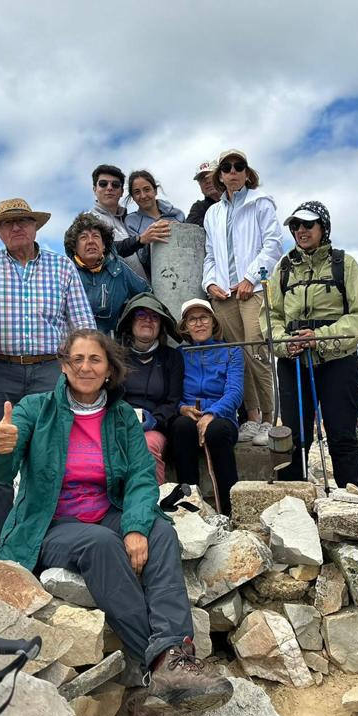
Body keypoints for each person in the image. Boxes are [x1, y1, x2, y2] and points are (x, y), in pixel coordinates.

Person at [0, 329, 233, 716]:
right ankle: (164, 665)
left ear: (110, 370)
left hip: (107, 512)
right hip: (50, 523)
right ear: (64, 366)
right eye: (77, 359)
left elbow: (141, 477)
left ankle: (174, 656)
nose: (85, 366)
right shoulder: (35, 409)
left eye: (95, 359)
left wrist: (134, 526)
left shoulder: (121, 418)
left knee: (160, 531)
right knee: (98, 543)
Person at [0, 198, 96, 559]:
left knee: (52, 459)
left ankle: (52, 543)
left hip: (50, 371)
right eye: (7, 223)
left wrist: (82, 372)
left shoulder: (61, 267)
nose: (16, 228)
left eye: (23, 220)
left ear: (35, 226)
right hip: (0, 371)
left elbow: (82, 325)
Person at [265, 201, 358, 489]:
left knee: (341, 433)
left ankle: (354, 501)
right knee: (294, 437)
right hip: (293, 362)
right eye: (295, 225)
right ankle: (293, 502)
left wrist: (320, 338)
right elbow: (270, 315)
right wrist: (285, 345)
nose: (301, 230)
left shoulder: (344, 264)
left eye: (308, 224)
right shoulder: (282, 268)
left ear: (323, 227)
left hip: (339, 361)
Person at [202, 148, 283, 446]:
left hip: (253, 291)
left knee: (257, 352)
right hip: (224, 295)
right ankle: (250, 417)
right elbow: (210, 255)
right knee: (237, 356)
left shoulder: (261, 203)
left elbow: (273, 245)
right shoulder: (213, 213)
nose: (233, 172)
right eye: (227, 167)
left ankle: (269, 419)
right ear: (220, 175)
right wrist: (210, 283)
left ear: (247, 173)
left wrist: (250, 277)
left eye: (239, 166)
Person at [172, 299, 244, 514]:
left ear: (213, 322)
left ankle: (229, 509)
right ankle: (190, 505)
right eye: (192, 319)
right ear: (185, 326)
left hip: (222, 416)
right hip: (189, 414)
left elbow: (235, 391)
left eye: (204, 317)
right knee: (180, 428)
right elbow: (171, 393)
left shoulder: (231, 351)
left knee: (218, 431)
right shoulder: (180, 354)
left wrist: (213, 413)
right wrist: (182, 408)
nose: (199, 323)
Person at [116, 292, 184, 484]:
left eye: (154, 317)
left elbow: (173, 400)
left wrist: (155, 420)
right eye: (141, 315)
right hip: (119, 423)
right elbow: (108, 395)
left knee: (146, 446)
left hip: (155, 426)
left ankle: (152, 505)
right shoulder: (116, 357)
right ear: (130, 322)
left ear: (161, 326)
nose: (148, 321)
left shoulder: (172, 358)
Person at [65, 212, 150, 334]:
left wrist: (128, 318)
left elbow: (146, 295)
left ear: (104, 245)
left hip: (110, 346)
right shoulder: (65, 273)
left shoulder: (119, 270)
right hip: (75, 345)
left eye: (96, 236)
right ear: (74, 247)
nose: (91, 241)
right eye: (83, 237)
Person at [89, 164, 171, 280]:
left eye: (115, 185)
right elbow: (104, 250)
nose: (109, 188)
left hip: (146, 291)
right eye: (103, 184)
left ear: (122, 191)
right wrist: (140, 240)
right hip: (116, 293)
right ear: (94, 189)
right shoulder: (89, 220)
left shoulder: (129, 220)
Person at [124, 169, 185, 276]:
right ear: (133, 197)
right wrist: (149, 239)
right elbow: (141, 260)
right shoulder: (131, 221)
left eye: (147, 189)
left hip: (185, 273)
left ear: (155, 191)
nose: (143, 196)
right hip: (159, 280)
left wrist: (178, 232)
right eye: (137, 192)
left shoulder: (177, 214)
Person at [185, 158, 223, 226]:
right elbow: (190, 227)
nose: (207, 181)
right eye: (202, 179)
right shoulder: (198, 207)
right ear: (199, 184)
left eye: (210, 176)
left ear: (220, 177)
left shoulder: (235, 199)